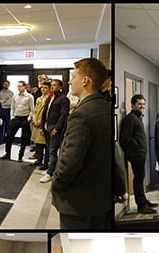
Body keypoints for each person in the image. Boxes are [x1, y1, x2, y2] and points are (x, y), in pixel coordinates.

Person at [51, 58, 110, 229]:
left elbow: (69, 162)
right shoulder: (105, 108)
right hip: (100, 199)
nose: (70, 81)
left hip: (78, 203)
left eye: (73, 77)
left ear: (85, 81)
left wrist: (56, 183)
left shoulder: (81, 114)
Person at [120, 94, 157, 214]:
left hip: (140, 154)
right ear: (133, 105)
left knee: (140, 179)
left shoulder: (138, 117)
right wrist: (133, 150)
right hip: (136, 154)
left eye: (143, 104)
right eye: (139, 104)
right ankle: (141, 205)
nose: (142, 106)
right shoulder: (130, 119)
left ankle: (144, 200)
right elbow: (124, 140)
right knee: (138, 179)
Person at [38, 79, 69, 180]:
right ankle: (51, 169)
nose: (52, 87)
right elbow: (44, 113)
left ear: (60, 87)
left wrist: (57, 128)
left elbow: (63, 115)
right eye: (51, 85)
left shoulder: (63, 99)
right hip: (47, 127)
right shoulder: (50, 97)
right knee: (49, 149)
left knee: (53, 151)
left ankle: (50, 173)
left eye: (55, 85)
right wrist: (42, 127)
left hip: (54, 129)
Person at [0, 80, 34, 162]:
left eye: (21, 86)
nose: (19, 88)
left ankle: (20, 156)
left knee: (24, 139)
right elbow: (12, 108)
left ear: (25, 87)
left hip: (25, 118)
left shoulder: (29, 97)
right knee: (9, 136)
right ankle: (7, 154)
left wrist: (29, 119)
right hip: (16, 118)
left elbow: (32, 109)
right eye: (18, 86)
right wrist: (12, 117)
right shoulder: (15, 96)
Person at [30, 82, 50, 166]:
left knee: (45, 144)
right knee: (38, 143)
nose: (43, 89)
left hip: (43, 123)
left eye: (45, 87)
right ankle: (39, 159)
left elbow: (48, 113)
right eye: (42, 87)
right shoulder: (39, 98)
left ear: (49, 88)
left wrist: (40, 122)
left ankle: (46, 162)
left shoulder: (50, 98)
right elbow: (34, 111)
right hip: (36, 123)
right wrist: (34, 120)